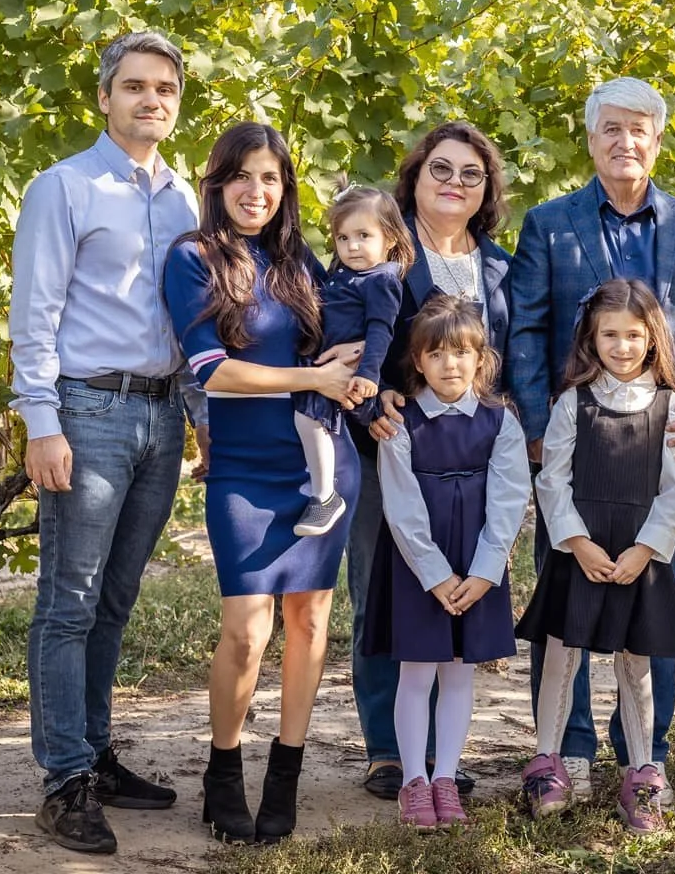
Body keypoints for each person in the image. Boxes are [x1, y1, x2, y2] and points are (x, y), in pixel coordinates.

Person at [507, 77, 675, 801]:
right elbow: (524, 331)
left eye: (639, 129)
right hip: (575, 449)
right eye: (611, 128)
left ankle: (647, 759)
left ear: (658, 139)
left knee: (651, 602)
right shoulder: (548, 224)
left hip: (663, 446)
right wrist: (544, 432)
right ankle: (567, 758)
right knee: (568, 606)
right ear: (590, 138)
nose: (625, 141)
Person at [11, 30, 203, 855]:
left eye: (164, 88)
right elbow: (35, 313)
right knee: (69, 602)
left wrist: (196, 416)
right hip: (86, 413)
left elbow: (189, 319)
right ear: (103, 97)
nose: (150, 99)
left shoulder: (186, 198)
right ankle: (64, 781)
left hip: (161, 417)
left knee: (116, 602)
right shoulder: (64, 187)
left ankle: (95, 753)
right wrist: (41, 422)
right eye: (134, 86)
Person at [162, 122, 366, 846]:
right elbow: (213, 371)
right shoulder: (192, 260)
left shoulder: (300, 262)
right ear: (217, 183)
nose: (258, 192)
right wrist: (314, 375)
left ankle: (287, 771)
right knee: (247, 630)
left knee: (310, 619)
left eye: (272, 179)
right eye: (243, 176)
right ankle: (224, 770)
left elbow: (357, 319)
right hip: (245, 471)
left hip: (320, 468)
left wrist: (353, 354)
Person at [349, 121, 513, 802]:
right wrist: (364, 400)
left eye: (470, 174)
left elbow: (509, 352)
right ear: (414, 178)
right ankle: (391, 752)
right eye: (440, 169)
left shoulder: (500, 266)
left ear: (486, 189)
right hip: (388, 439)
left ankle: (443, 760)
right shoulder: (385, 254)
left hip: (472, 449)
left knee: (461, 594)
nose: (454, 183)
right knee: (384, 593)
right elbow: (342, 335)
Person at [514, 279, 675, 835]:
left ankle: (641, 774)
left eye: (633, 335)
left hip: (639, 553)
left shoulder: (672, 406)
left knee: (636, 664)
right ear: (592, 338)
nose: (621, 346)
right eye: (609, 334)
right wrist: (577, 542)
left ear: (653, 338)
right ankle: (548, 763)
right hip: (582, 550)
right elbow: (553, 480)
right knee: (563, 656)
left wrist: (644, 549)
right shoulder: (574, 402)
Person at [360, 295, 532, 830]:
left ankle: (446, 778)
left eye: (461, 353)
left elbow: (508, 499)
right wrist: (435, 576)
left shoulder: (500, 421)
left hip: (476, 560)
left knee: (459, 675)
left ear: (482, 359)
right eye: (436, 354)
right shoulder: (400, 422)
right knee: (415, 673)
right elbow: (401, 504)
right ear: (417, 362)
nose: (449, 364)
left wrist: (484, 573)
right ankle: (413, 779)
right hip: (421, 564)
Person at [291, 186, 412, 538]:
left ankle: (325, 495)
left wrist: (369, 374)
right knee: (312, 421)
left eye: (363, 236)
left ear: (389, 238)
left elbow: (380, 331)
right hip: (327, 366)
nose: (352, 246)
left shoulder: (381, 280)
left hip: (348, 374)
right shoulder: (348, 273)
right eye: (343, 238)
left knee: (309, 418)